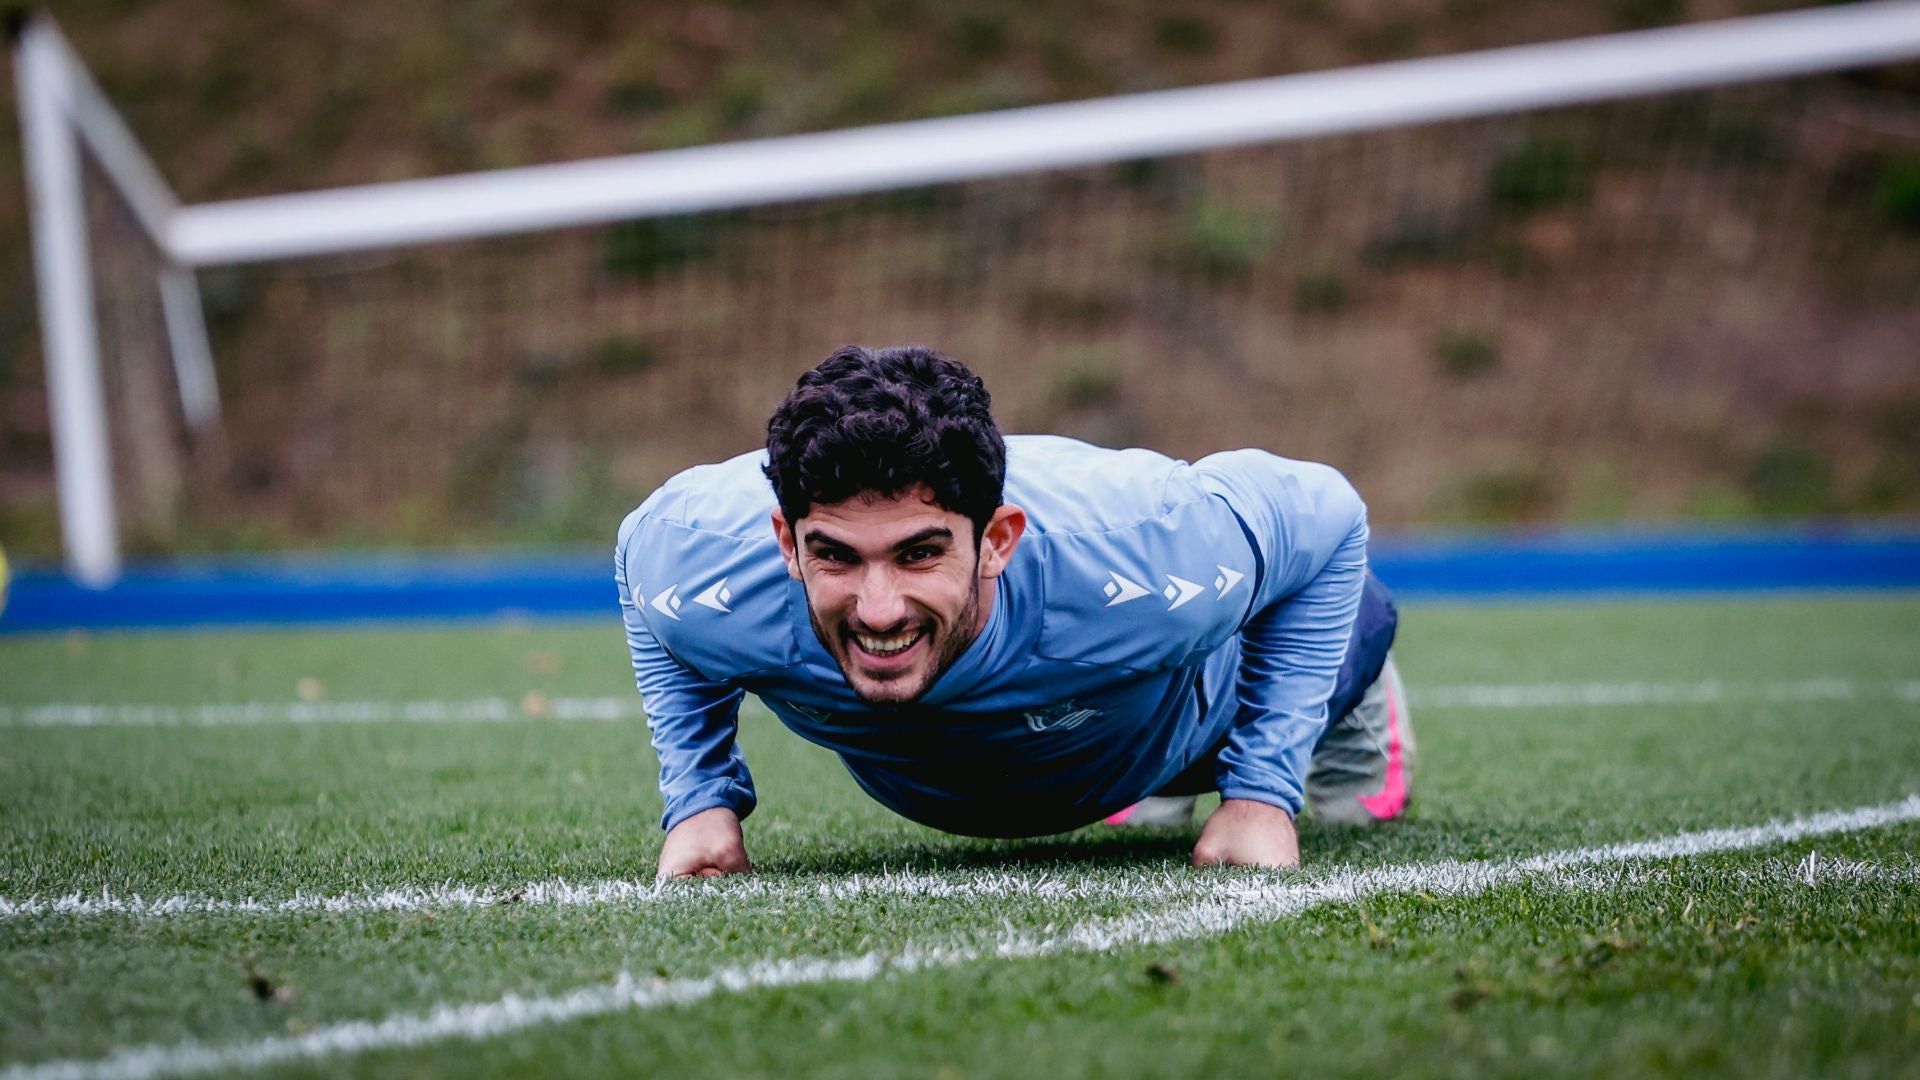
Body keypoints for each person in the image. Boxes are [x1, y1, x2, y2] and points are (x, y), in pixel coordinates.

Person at [616, 345, 1409, 878]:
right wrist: (701, 799)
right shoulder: (695, 555)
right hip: (1081, 716)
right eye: (836, 557)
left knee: (1346, 609)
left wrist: (1263, 791)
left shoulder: (1152, 543)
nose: (879, 609)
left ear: (997, 540)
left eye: (920, 553)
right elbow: (637, 567)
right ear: (786, 542)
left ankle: (1336, 722)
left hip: (1198, 699)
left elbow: (1330, 517)